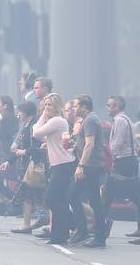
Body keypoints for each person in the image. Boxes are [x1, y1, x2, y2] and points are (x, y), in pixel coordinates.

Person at [33, 93, 75, 245]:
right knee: (59, 200)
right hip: (60, 164)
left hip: (63, 165)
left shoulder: (56, 120)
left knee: (51, 200)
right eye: (45, 105)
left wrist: (43, 115)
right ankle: (59, 235)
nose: (46, 107)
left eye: (49, 105)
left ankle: (73, 223)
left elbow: (36, 133)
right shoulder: (57, 121)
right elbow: (46, 137)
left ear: (57, 106)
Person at [68, 94, 107, 248]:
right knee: (93, 200)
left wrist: (81, 165)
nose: (74, 108)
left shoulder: (90, 119)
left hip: (90, 166)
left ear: (84, 107)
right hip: (91, 165)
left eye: (76, 106)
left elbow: (90, 144)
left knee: (73, 195)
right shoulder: (89, 119)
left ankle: (89, 233)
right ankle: (93, 233)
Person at [3, 100, 44, 235]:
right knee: (27, 195)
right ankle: (27, 224)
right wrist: (9, 161)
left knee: (43, 196)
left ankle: (49, 222)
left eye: (20, 111)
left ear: (27, 112)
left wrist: (25, 152)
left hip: (35, 166)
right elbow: (19, 146)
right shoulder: (25, 126)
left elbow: (38, 147)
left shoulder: (34, 126)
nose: (18, 114)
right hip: (27, 166)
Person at [103, 95, 139, 240]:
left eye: (109, 105)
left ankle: (101, 226)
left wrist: (109, 160)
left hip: (122, 163)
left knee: (108, 194)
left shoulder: (119, 121)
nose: (107, 107)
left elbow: (116, 144)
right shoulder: (127, 119)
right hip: (129, 161)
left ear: (117, 107)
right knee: (135, 196)